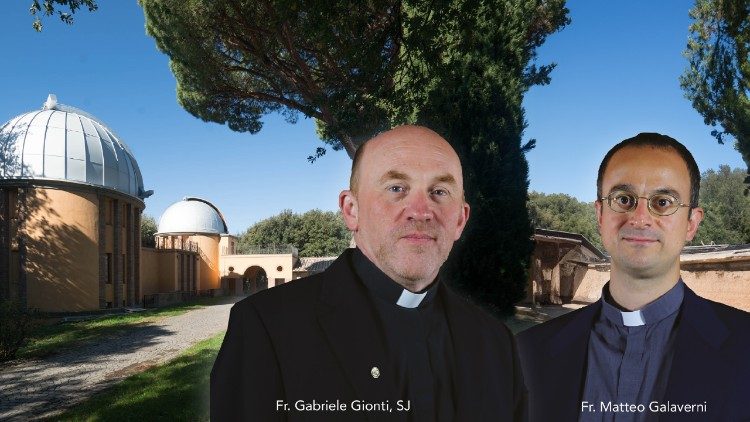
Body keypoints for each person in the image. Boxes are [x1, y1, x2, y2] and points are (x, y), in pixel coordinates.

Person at [211, 125, 526, 421]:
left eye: (439, 191)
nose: (421, 211)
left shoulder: (497, 344)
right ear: (351, 210)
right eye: (396, 188)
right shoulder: (265, 328)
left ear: (460, 219)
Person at [517, 133, 750, 422]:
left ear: (692, 223)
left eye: (663, 202)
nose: (639, 218)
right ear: (601, 215)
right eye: (623, 199)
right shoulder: (524, 354)